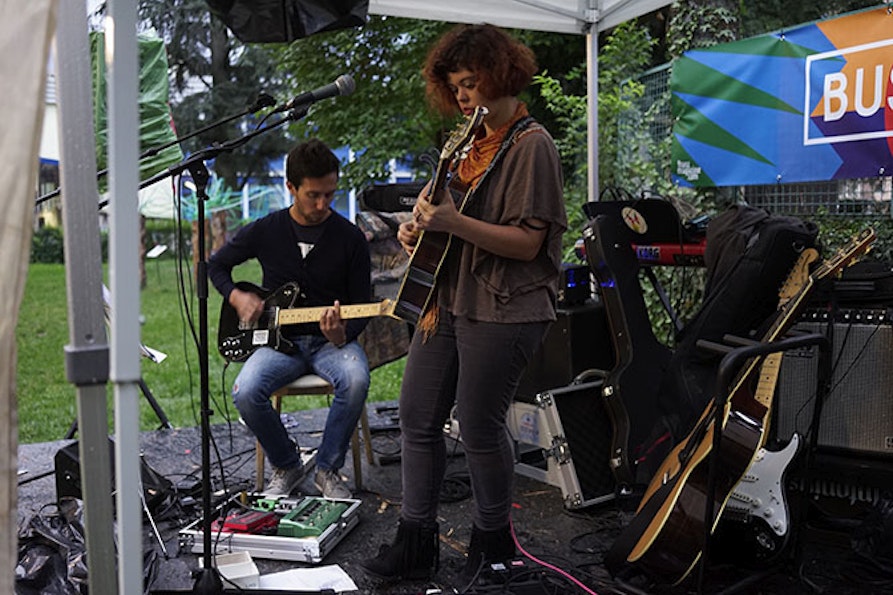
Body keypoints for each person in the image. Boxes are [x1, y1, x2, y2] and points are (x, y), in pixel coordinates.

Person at [360, 24, 567, 584]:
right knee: (416, 418)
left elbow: (529, 243)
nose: (463, 97)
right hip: (446, 299)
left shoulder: (532, 145)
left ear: (501, 75)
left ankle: (494, 546)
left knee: (478, 424)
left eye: (471, 83)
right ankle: (416, 540)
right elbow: (448, 224)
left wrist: (452, 222)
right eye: (454, 87)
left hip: (505, 305)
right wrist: (418, 230)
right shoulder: (467, 145)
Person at [208, 138, 372, 499]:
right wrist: (237, 296)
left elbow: (364, 303)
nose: (322, 204)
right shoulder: (267, 229)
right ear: (290, 188)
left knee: (356, 380)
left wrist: (343, 332)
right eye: (313, 195)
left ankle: (328, 470)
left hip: (332, 343)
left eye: (330, 194)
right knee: (246, 391)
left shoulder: (351, 239)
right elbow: (216, 265)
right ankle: (287, 463)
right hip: (278, 341)